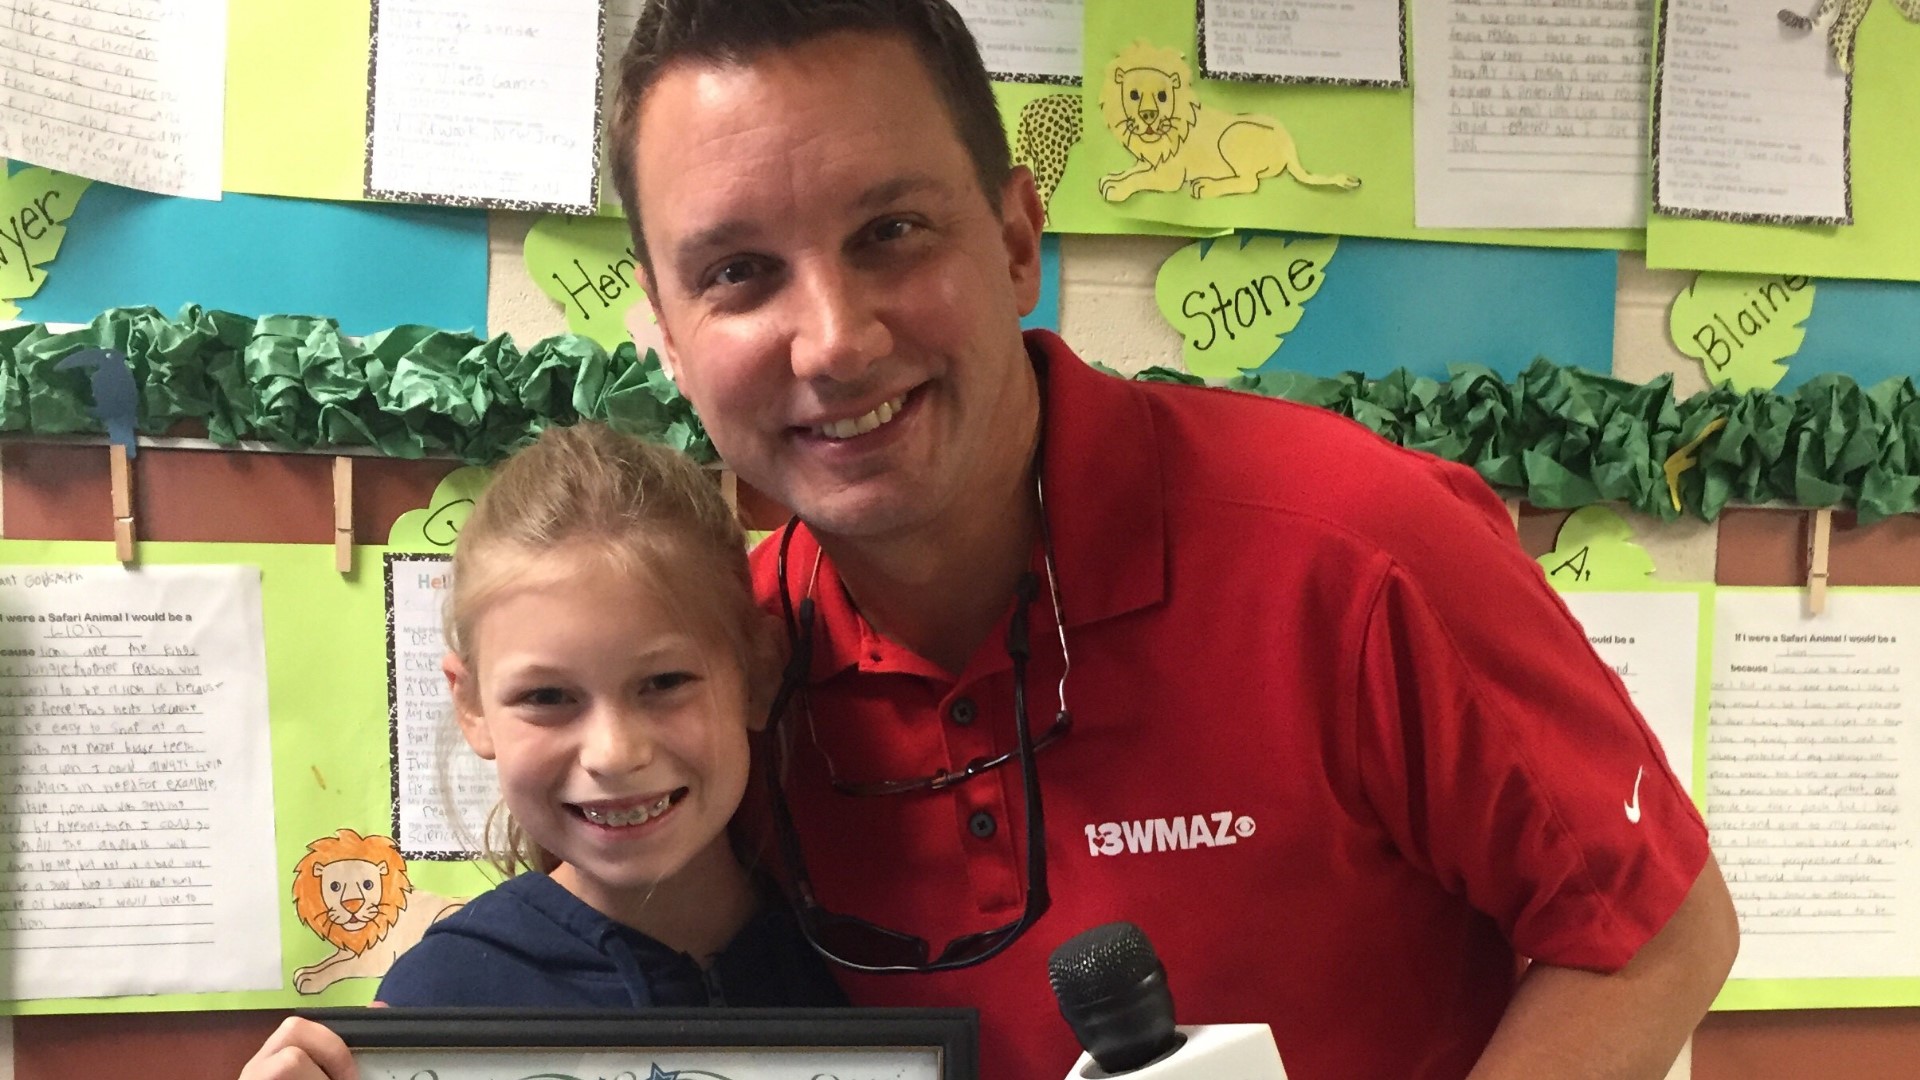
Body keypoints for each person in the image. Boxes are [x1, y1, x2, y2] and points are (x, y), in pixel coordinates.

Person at [608, 2, 1741, 1078]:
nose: (835, 342)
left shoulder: (1356, 551)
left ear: (1014, 240)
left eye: (891, 233)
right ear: (667, 331)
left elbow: (1655, 933)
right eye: (737, 274)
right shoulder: (725, 671)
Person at [239, 424, 845, 1080]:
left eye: (665, 683)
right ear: (473, 708)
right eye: (548, 696)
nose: (614, 753)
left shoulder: (852, 963)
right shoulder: (442, 1003)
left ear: (757, 675)